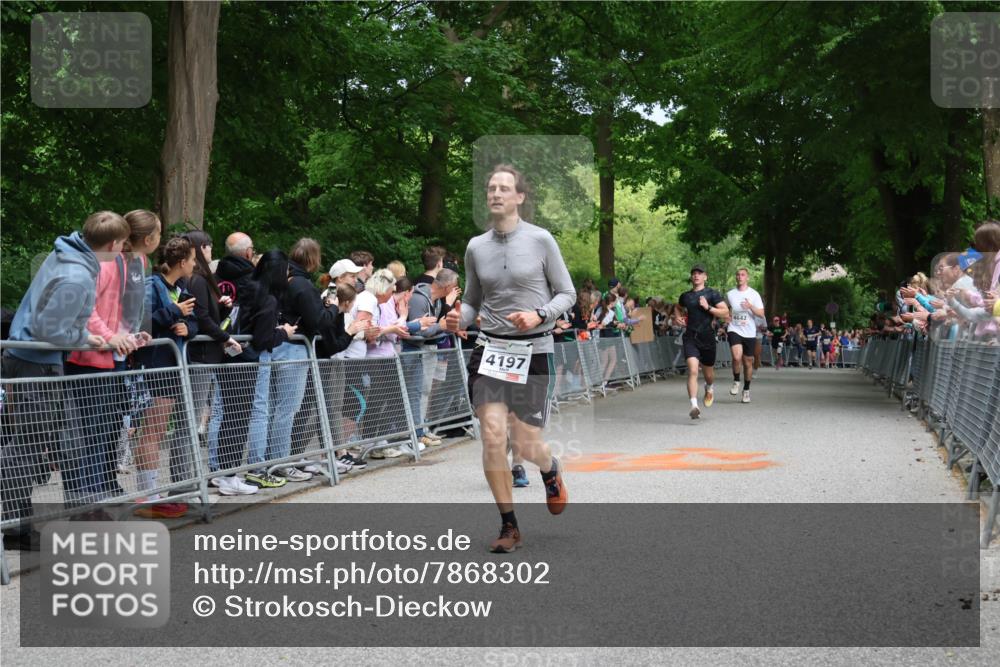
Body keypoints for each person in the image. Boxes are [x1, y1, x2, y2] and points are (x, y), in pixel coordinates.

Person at [445, 164, 574, 553]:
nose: (496, 193)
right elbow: (471, 301)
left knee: (525, 441)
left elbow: (566, 294)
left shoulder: (541, 240)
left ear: (519, 197)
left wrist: (540, 315)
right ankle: (509, 526)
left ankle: (550, 470)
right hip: (490, 349)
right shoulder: (475, 246)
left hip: (533, 349)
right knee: (492, 436)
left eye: (504, 188)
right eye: (490, 188)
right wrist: (457, 318)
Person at [2, 211, 130, 549]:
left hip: (31, 359)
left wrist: (85, 338)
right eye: (121, 246)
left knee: (37, 444)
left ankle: (17, 526)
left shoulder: (65, 256)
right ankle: (12, 525)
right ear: (114, 244)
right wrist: (83, 338)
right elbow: (51, 330)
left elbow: (53, 321)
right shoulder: (77, 274)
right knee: (29, 448)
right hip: (37, 363)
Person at [132, 236, 200, 518]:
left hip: (172, 366)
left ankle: (152, 492)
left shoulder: (180, 287)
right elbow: (141, 322)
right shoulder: (152, 285)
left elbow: (190, 320)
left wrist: (188, 328)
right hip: (155, 365)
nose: (195, 265)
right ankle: (146, 494)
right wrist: (175, 312)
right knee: (152, 430)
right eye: (193, 260)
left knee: (159, 430)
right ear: (182, 262)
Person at [182, 230, 247, 494]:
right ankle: (184, 484)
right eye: (208, 247)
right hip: (201, 355)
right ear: (201, 248)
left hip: (209, 355)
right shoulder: (197, 279)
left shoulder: (203, 279)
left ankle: (190, 482)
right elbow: (201, 317)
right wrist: (224, 336)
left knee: (196, 415)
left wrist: (224, 307)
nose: (211, 251)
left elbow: (208, 313)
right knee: (191, 419)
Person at [243, 250, 301, 487]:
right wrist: (283, 332)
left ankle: (251, 465)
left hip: (244, 358)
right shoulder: (267, 300)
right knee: (260, 411)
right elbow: (263, 339)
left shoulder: (250, 289)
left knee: (257, 410)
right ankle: (257, 466)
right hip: (258, 358)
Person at [678, 264, 729, 419]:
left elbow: (725, 312)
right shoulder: (685, 296)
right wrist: (677, 317)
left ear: (705, 277)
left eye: (699, 273)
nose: (696, 275)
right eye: (694, 273)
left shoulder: (712, 294)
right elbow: (677, 307)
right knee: (693, 370)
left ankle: (709, 387)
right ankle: (694, 405)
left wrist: (708, 308)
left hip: (707, 337)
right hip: (691, 337)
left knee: (708, 374)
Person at [725, 267, 765, 403]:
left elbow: (761, 313)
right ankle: (736, 381)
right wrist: (726, 317)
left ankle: (746, 390)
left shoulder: (754, 294)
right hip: (734, 329)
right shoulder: (730, 294)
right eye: (737, 275)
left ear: (747, 277)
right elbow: (724, 309)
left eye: (742, 275)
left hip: (749, 332)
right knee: (736, 357)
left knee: (748, 362)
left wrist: (750, 307)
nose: (740, 277)